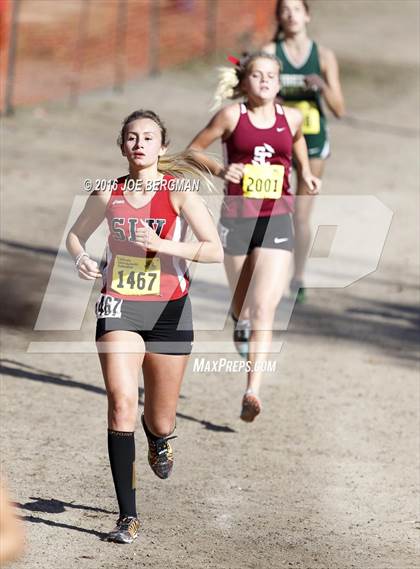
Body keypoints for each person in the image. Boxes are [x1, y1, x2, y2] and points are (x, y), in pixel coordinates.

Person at [66, 110, 223, 544]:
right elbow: (76, 235)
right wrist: (80, 256)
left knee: (159, 415)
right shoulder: (106, 192)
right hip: (119, 307)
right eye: (132, 137)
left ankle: (159, 437)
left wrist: (165, 244)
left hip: (169, 311)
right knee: (121, 403)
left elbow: (214, 251)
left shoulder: (179, 194)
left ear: (162, 147)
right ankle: (127, 516)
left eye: (148, 137)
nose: (139, 144)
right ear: (122, 146)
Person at [188, 51, 320, 422]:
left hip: (277, 217)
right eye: (257, 75)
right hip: (237, 220)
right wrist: (220, 168)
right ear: (244, 82)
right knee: (242, 305)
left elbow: (295, 142)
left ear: (279, 83)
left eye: (271, 76)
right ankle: (237, 320)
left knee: (266, 307)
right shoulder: (231, 116)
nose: (265, 81)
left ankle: (252, 391)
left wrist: (306, 173)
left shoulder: (291, 117)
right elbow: (193, 150)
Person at [263, 0, 345, 302]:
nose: (291, 15)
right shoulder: (271, 53)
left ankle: (298, 277)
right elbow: (251, 90)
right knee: (270, 211)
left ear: (307, 15)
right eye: (285, 10)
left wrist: (321, 85)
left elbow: (339, 109)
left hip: (312, 142)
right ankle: (269, 274)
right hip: (277, 141)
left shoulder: (323, 56)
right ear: (279, 18)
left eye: (297, 9)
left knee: (300, 216)